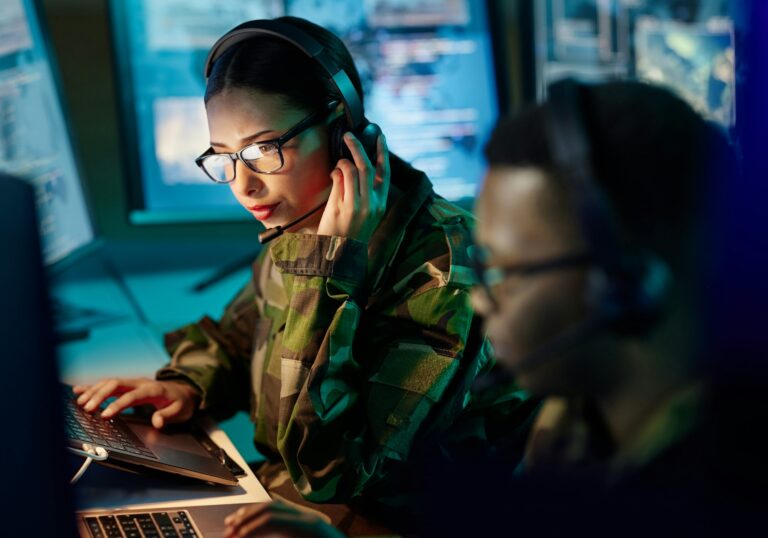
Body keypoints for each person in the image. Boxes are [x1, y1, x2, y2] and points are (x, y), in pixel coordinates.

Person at [73, 16, 536, 536]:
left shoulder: (446, 274)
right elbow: (241, 335)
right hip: (290, 502)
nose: (244, 186)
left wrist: (327, 272)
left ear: (339, 130)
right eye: (225, 157)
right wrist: (188, 385)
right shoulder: (304, 216)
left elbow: (334, 470)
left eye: (265, 150)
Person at [422, 79, 747, 536]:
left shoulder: (717, 495)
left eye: (503, 272)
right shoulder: (573, 420)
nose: (479, 298)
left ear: (628, 282)